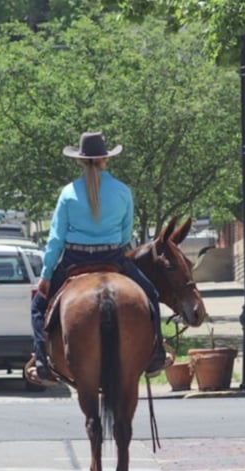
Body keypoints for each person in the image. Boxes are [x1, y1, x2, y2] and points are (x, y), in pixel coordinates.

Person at [25, 131, 171, 385]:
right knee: (151, 296)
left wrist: (46, 276)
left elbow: (56, 239)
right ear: (106, 159)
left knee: (38, 306)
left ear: (80, 160)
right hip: (113, 255)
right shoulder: (123, 191)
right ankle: (156, 355)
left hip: (74, 258)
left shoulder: (69, 193)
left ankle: (42, 363)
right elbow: (126, 234)